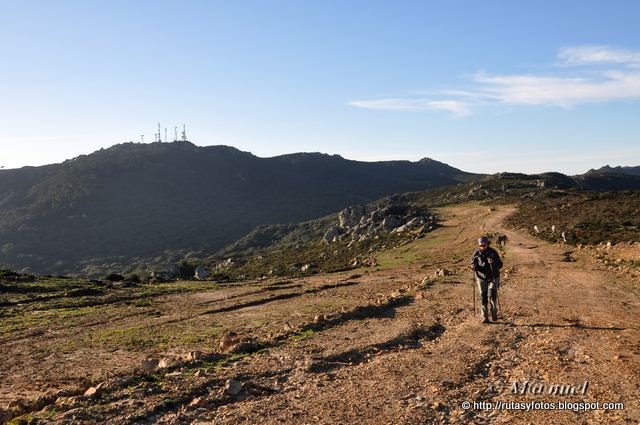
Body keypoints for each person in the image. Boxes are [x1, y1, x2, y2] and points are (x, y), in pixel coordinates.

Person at [470, 236, 503, 323]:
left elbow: (500, 265)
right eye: (480, 245)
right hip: (481, 277)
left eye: (484, 245)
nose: (482, 247)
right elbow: (472, 263)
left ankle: (494, 311)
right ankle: (484, 316)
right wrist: (472, 266)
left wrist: (493, 262)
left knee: (492, 293)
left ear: (487, 244)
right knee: (483, 296)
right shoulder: (476, 253)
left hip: (493, 276)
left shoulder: (493, 253)